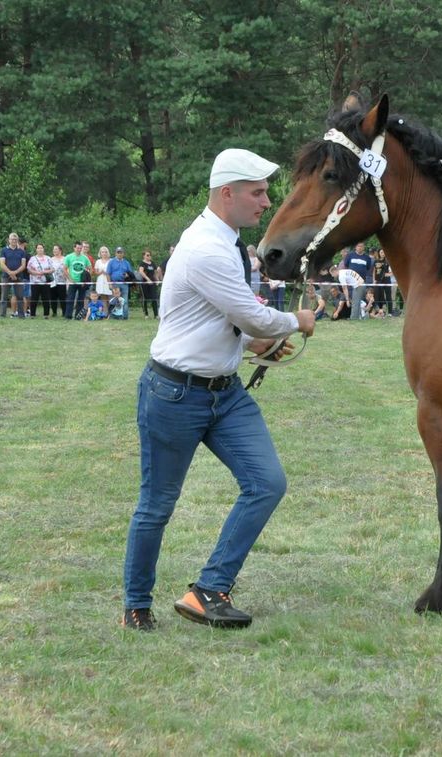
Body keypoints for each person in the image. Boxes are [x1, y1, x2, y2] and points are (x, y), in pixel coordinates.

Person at [121, 148, 316, 632]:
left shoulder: (226, 242)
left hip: (224, 394)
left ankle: (208, 590)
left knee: (267, 483)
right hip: (174, 396)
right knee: (157, 505)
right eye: (258, 192)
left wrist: (255, 345)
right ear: (227, 194)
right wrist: (297, 321)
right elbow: (250, 313)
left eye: (266, 192)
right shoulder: (206, 247)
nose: (267, 202)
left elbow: (228, 319)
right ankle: (135, 606)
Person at [342, 242, 374, 319]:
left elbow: (368, 268)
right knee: (351, 299)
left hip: (360, 282)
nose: (360, 247)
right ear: (355, 247)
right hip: (350, 282)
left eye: (361, 246)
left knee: (358, 300)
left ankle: (357, 316)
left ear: (364, 247)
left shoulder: (367, 258)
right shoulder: (350, 255)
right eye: (358, 246)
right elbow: (346, 265)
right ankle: (349, 315)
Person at [1, 232, 29, 318]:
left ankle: (21, 315)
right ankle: (2, 315)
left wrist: (15, 273)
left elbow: (23, 265)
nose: (13, 241)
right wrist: (10, 273)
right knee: (4, 297)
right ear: (9, 240)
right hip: (6, 276)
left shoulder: (22, 252)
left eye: (15, 239)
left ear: (17, 241)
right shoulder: (3, 250)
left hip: (19, 276)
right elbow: (2, 264)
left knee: (20, 296)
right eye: (12, 239)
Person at [63, 241, 92, 319]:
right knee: (70, 299)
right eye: (77, 248)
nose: (79, 249)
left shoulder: (85, 258)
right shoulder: (69, 257)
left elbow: (90, 268)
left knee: (81, 300)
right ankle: (68, 316)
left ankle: (78, 316)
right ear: (74, 248)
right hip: (72, 282)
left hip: (82, 283)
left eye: (80, 248)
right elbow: (64, 269)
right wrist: (70, 279)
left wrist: (86, 280)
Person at [107, 246, 136, 319]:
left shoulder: (126, 262)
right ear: (115, 253)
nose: (119, 254)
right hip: (115, 283)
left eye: (121, 252)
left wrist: (127, 275)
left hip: (124, 284)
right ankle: (113, 316)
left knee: (125, 301)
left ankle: (125, 316)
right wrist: (109, 284)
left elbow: (131, 273)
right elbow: (108, 274)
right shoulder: (111, 262)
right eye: (118, 252)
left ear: (123, 254)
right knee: (114, 301)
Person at [26, 242, 54, 318]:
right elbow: (28, 269)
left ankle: (46, 314)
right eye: (38, 248)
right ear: (36, 249)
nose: (40, 249)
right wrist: (36, 273)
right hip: (35, 282)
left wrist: (44, 272)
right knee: (34, 298)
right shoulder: (32, 259)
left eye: (41, 248)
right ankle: (32, 314)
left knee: (46, 298)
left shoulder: (48, 258)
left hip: (45, 282)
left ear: (43, 249)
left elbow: (52, 269)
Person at [138, 249, 160, 318]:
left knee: (154, 298)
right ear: (144, 256)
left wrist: (157, 280)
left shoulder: (152, 263)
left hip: (152, 283)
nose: (149, 256)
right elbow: (141, 272)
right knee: (145, 298)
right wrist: (147, 279)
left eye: (150, 255)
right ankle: (146, 314)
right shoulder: (142, 263)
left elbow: (155, 272)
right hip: (145, 283)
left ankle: (156, 314)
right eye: (147, 255)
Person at [48, 244, 69, 318]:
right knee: (53, 297)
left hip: (62, 281)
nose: (54, 250)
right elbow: (48, 269)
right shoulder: (50, 259)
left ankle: (64, 312)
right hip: (53, 281)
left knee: (62, 298)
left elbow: (67, 268)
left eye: (56, 249)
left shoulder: (65, 258)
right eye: (54, 249)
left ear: (60, 250)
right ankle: (54, 312)